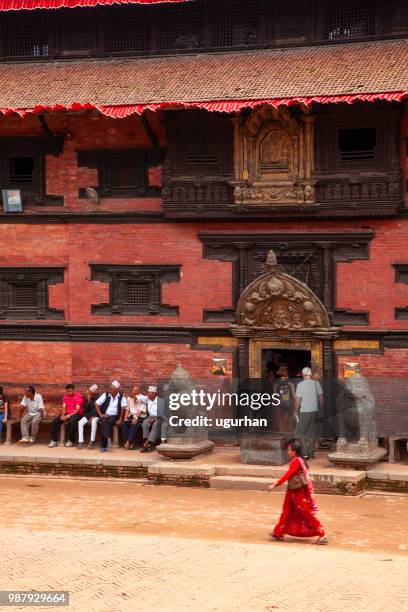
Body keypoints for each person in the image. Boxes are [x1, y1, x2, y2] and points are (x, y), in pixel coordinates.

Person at [268, 440, 327, 545]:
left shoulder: (296, 462)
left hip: (297, 492)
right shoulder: (300, 461)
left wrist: (275, 484)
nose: (288, 452)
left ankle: (322, 534)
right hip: (293, 491)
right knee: (286, 511)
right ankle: (279, 532)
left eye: (289, 450)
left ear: (294, 452)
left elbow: (288, 475)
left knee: (306, 512)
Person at [294, 367, 323, 460]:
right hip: (314, 411)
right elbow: (321, 397)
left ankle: (305, 453)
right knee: (312, 433)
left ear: (303, 374)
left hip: (303, 412)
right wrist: (321, 409)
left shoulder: (300, 385)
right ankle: (311, 455)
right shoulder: (316, 383)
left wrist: (295, 411)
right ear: (310, 374)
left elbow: (298, 399)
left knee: (302, 433)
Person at [95, 381, 127, 453]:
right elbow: (97, 404)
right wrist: (100, 414)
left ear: (117, 390)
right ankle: (108, 438)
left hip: (114, 416)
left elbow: (123, 408)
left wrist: (120, 419)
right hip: (105, 415)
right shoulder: (106, 394)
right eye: (110, 389)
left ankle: (103, 446)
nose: (110, 390)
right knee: (103, 421)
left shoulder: (121, 396)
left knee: (108, 422)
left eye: (112, 389)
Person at [139, 385, 166, 453]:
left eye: (149, 393)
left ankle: (149, 443)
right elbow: (138, 397)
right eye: (148, 393)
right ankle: (147, 443)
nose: (148, 395)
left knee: (155, 425)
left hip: (159, 417)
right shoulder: (147, 399)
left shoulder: (160, 401)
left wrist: (155, 419)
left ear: (154, 394)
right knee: (145, 424)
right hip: (150, 417)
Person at [121, 384, 147, 450]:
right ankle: (130, 442)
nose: (133, 392)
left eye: (135, 391)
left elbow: (140, 411)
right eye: (133, 390)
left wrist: (135, 418)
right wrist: (125, 417)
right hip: (131, 415)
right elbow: (127, 409)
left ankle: (128, 442)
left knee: (134, 424)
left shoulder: (143, 398)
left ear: (139, 392)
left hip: (140, 416)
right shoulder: (130, 398)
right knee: (124, 424)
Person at [274, 365, 296, 433]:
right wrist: (295, 407)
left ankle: (282, 436)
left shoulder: (276, 384)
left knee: (281, 422)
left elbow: (274, 397)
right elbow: (294, 396)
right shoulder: (291, 384)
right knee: (289, 423)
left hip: (280, 406)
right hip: (289, 405)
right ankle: (288, 436)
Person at [77, 384, 100, 450]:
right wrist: (88, 401)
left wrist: (94, 416)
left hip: (96, 415)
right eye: (89, 392)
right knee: (80, 422)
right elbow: (85, 409)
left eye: (90, 392)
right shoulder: (88, 398)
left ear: (94, 392)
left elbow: (98, 408)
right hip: (88, 415)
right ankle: (81, 442)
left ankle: (91, 441)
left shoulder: (99, 398)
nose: (89, 393)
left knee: (93, 422)